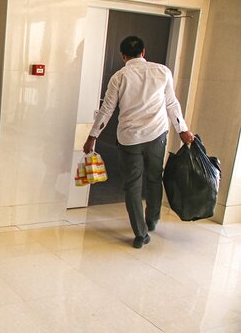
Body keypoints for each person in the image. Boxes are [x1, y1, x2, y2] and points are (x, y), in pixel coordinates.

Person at [82, 35, 194, 249]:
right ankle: (152, 218)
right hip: (157, 135)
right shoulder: (162, 71)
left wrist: (92, 137)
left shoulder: (119, 77)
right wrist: (183, 130)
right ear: (143, 52)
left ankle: (140, 233)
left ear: (123, 56)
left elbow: (107, 109)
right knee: (154, 178)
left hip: (129, 139)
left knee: (132, 185)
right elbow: (172, 104)